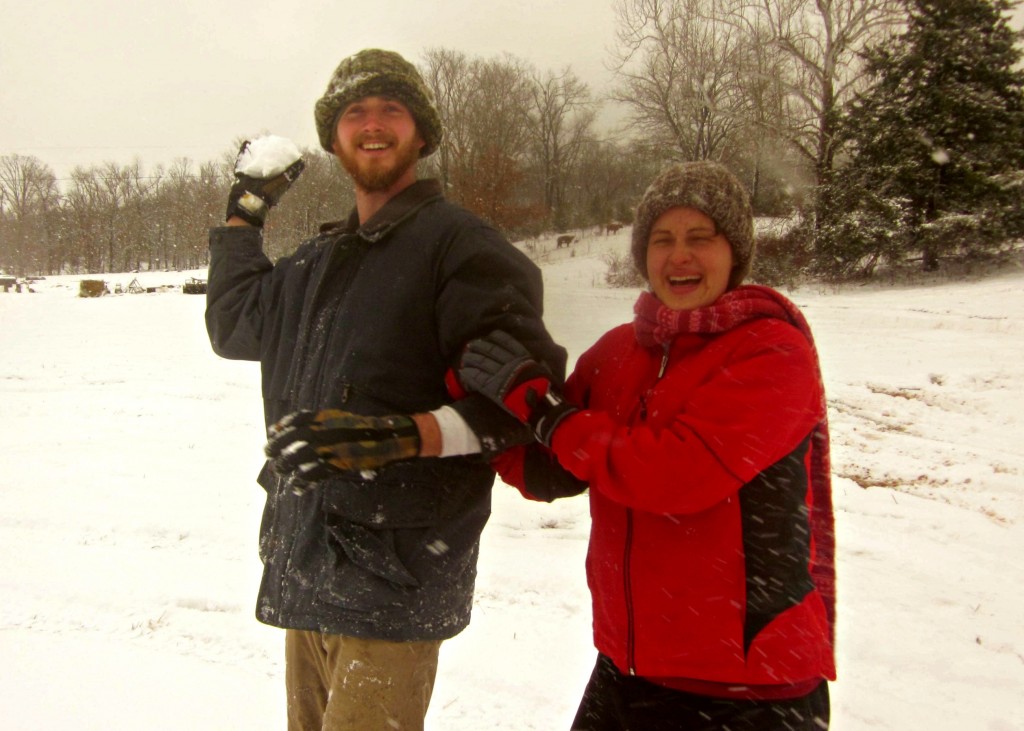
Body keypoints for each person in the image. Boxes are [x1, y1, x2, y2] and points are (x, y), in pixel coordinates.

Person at [205, 48, 565, 731]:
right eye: (354, 113)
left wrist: (405, 436)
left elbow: (519, 400)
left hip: (395, 575)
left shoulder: (461, 248)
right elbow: (234, 324)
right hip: (309, 560)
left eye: (390, 110)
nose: (372, 124)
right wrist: (243, 221)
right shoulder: (316, 262)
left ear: (421, 133)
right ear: (334, 138)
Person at [457, 161, 837, 730]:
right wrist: (474, 398)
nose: (678, 255)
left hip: (749, 687)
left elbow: (677, 475)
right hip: (629, 667)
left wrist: (546, 412)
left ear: (734, 252)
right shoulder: (617, 353)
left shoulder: (771, 350)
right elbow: (552, 467)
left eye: (699, 238)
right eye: (662, 240)